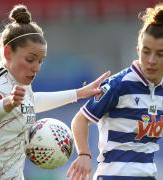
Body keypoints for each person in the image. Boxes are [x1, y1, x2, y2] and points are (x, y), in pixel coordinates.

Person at [0, 4, 110, 180]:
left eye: (40, 61)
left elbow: (32, 101)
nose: (36, 68)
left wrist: (79, 93)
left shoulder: (19, 81)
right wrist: (7, 103)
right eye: (30, 59)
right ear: (8, 52)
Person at [67, 3, 163, 180]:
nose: (151, 60)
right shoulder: (118, 85)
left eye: (160, 54)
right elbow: (80, 120)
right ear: (137, 50)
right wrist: (84, 155)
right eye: (146, 52)